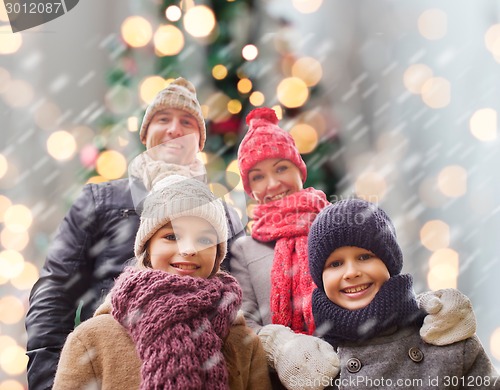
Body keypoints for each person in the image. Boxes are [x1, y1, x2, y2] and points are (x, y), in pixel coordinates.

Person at [230, 107, 479, 389]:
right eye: (258, 176)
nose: (273, 183)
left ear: (299, 169)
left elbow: (385, 283)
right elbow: (245, 325)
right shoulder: (245, 249)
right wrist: (283, 347)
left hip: (360, 357)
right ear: (249, 187)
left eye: (281, 168)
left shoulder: (337, 223)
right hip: (290, 380)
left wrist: (432, 310)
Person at [25, 77, 244, 390]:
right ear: (145, 134)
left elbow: (242, 302)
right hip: (112, 367)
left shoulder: (224, 216)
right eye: (163, 119)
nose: (173, 129)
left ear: (200, 142)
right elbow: (55, 289)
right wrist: (52, 380)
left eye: (187, 122)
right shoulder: (101, 201)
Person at [52, 175, 271, 390]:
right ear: (147, 249)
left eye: (205, 239)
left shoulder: (243, 343)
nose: (189, 250)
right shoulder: (92, 339)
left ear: (217, 255)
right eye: (172, 236)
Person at [307, 198, 498, 390]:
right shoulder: (315, 363)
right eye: (335, 264)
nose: (351, 272)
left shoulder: (445, 337)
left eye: (364, 257)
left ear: (390, 264)